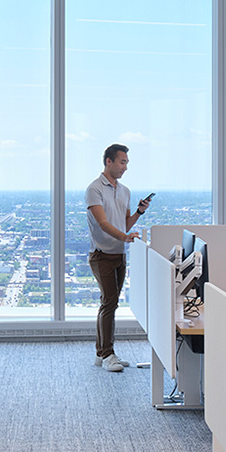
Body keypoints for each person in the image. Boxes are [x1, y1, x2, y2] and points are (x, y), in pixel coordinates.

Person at [85, 143, 150, 372]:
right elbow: (103, 224)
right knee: (109, 302)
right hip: (101, 255)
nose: (125, 167)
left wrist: (139, 213)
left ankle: (101, 353)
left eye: (127, 163)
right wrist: (124, 237)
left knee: (110, 304)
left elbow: (124, 223)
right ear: (109, 161)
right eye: (122, 162)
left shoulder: (125, 191)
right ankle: (107, 354)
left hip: (119, 255)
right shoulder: (95, 189)